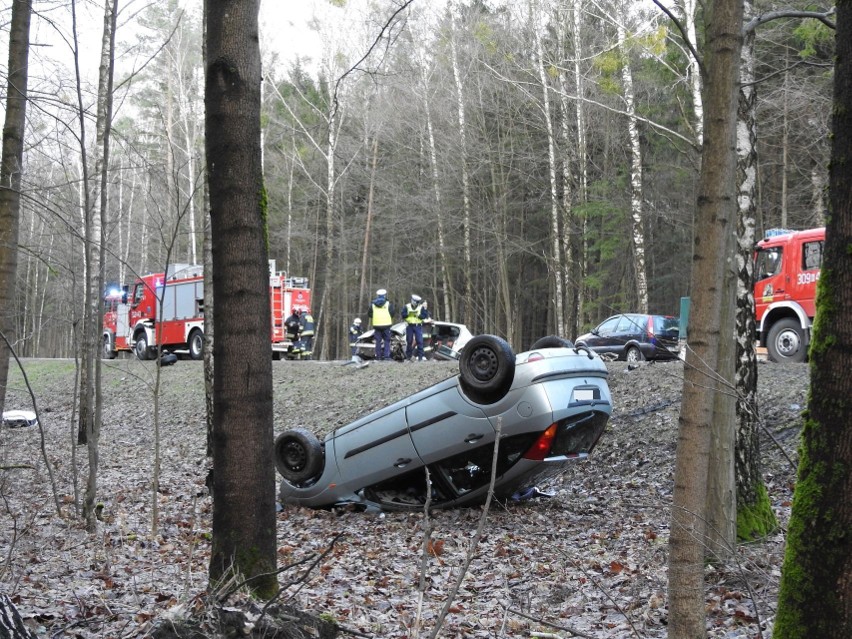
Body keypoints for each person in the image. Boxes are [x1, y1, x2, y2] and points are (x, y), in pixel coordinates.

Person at [368, 288, 394, 361]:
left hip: (377, 325)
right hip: (386, 325)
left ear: (377, 295)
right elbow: (392, 313)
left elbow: (369, 314)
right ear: (384, 295)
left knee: (378, 341)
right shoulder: (388, 304)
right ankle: (386, 356)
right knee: (387, 340)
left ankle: (378, 356)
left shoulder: (373, 304)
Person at [401, 294, 429, 361]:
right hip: (409, 325)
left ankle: (420, 357)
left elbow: (425, 315)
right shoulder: (407, 306)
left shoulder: (421, 307)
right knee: (409, 341)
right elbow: (403, 314)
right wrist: (408, 314)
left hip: (417, 326)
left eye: (416, 302)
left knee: (419, 341)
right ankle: (408, 356)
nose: (414, 303)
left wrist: (419, 316)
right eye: (414, 301)